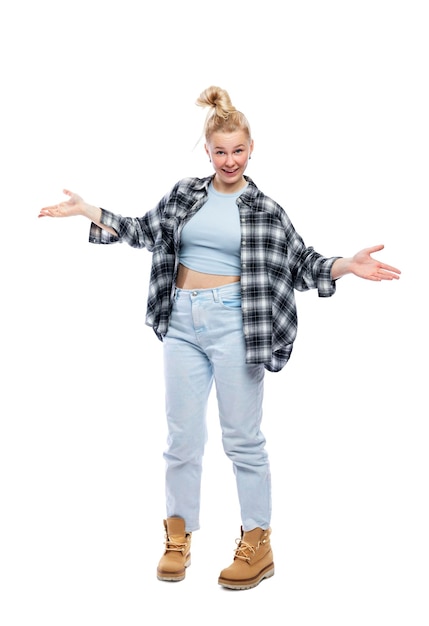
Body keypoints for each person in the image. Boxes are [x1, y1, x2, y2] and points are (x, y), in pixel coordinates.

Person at [38, 85, 401, 590]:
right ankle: (178, 534)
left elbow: (300, 264)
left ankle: (257, 541)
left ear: (252, 150)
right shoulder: (186, 193)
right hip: (181, 320)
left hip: (238, 323)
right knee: (182, 438)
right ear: (207, 151)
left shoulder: (265, 210)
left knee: (243, 441)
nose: (229, 160)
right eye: (220, 151)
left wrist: (346, 265)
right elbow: (145, 231)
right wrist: (88, 210)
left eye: (238, 150)